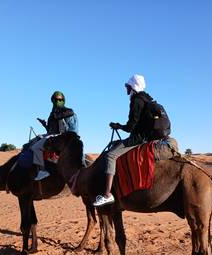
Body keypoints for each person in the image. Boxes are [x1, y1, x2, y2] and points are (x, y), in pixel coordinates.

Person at [93, 74, 163, 207]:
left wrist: (118, 126)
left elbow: (131, 127)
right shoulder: (147, 99)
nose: (126, 89)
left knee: (111, 155)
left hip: (138, 139)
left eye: (127, 86)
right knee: (115, 145)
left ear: (133, 87)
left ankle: (107, 194)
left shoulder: (136, 101)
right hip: (145, 137)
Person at [32, 91, 78, 181]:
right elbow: (51, 129)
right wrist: (44, 124)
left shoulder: (64, 110)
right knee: (32, 142)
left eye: (60, 100)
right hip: (51, 134)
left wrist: (58, 115)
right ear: (52, 100)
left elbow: (71, 112)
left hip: (60, 136)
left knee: (36, 148)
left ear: (63, 100)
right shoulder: (52, 112)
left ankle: (42, 171)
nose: (58, 101)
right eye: (56, 99)